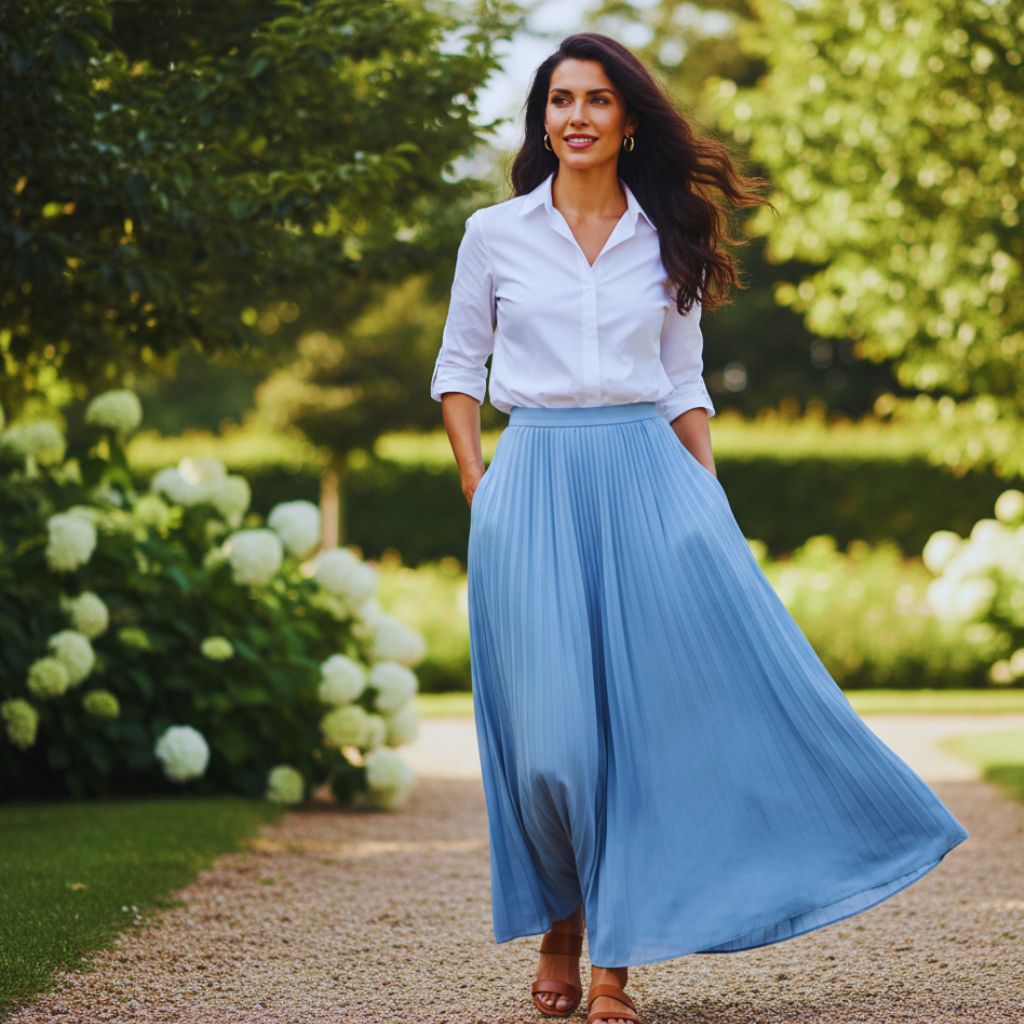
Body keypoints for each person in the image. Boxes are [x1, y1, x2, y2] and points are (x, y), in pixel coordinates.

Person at [429, 32, 969, 1024]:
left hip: (649, 475)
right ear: (541, 119)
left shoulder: (666, 231)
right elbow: (460, 367)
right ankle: (562, 916)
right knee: (551, 743)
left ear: (629, 120)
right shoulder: (494, 233)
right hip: (533, 479)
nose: (576, 117)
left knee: (639, 734)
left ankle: (611, 966)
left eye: (596, 99)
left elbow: (681, 379)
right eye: (560, 100)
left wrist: (703, 501)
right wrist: (481, 486)